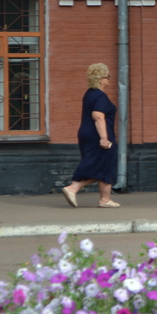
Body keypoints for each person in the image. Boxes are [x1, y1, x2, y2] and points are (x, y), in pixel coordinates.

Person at [62, 63, 120, 208]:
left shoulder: (89, 93)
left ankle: (105, 199)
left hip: (86, 133)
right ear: (101, 79)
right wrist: (104, 138)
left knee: (98, 164)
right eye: (107, 77)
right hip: (98, 135)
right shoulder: (100, 96)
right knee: (104, 164)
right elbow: (98, 116)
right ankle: (73, 188)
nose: (109, 80)